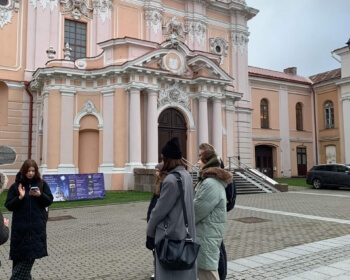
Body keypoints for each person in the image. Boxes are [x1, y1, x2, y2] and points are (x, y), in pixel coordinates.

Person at [146, 137, 197, 280]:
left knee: (169, 274)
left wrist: (150, 232)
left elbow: (159, 211)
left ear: (169, 159)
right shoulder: (186, 175)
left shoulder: (171, 180)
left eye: (163, 159)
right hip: (185, 232)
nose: (162, 163)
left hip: (171, 236)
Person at [5, 159, 53, 280]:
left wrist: (40, 195)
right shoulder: (16, 186)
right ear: (24, 171)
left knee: (21, 271)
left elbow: (49, 201)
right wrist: (20, 197)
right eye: (28, 171)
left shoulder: (42, 184)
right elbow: (8, 205)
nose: (30, 173)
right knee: (19, 267)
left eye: (33, 170)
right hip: (20, 232)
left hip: (36, 232)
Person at [195, 143, 233, 280]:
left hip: (206, 233)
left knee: (208, 271)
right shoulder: (209, 181)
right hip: (207, 233)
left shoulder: (210, 184)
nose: (198, 161)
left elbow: (197, 211)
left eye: (200, 158)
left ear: (208, 162)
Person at [146, 161, 167, 280]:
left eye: (158, 171)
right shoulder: (159, 183)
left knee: (159, 250)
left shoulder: (165, 184)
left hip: (159, 226)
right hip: (153, 223)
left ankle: (159, 272)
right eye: (155, 171)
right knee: (155, 250)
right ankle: (157, 271)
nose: (156, 173)